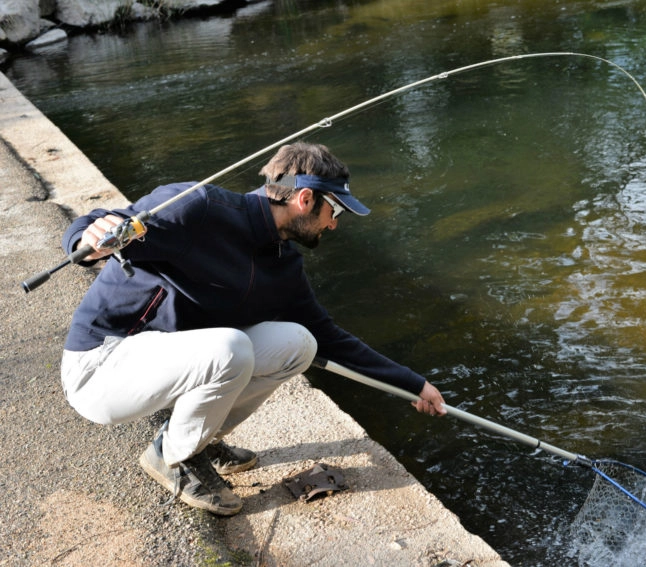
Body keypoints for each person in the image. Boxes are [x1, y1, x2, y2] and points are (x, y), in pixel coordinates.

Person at [59, 142, 446, 516]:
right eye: (336, 211)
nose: (334, 225)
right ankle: (172, 458)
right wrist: (88, 237)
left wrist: (413, 384)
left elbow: (331, 339)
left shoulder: (283, 265)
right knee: (232, 347)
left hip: (160, 367)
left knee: (299, 343)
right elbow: (93, 224)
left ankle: (196, 440)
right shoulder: (199, 208)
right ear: (305, 199)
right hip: (100, 368)